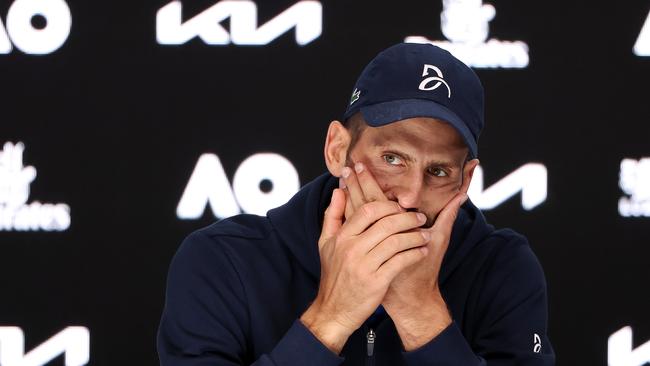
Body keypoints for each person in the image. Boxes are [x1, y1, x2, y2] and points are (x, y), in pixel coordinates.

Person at [157, 43, 555, 365]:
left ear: (465, 180)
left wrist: (420, 311)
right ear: (337, 149)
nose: (410, 195)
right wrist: (333, 316)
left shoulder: (502, 267)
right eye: (392, 159)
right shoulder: (223, 260)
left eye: (438, 172)